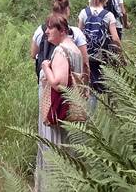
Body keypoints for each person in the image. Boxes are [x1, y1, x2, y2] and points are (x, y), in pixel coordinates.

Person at [34, 12, 85, 192]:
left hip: (58, 110)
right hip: (70, 109)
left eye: (50, 28)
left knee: (54, 149)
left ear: (62, 30)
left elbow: (58, 84)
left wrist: (45, 67)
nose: (46, 32)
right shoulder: (75, 50)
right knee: (68, 151)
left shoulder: (61, 50)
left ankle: (52, 187)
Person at [78, 0, 121, 92]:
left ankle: (91, 102)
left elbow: (79, 34)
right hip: (102, 55)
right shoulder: (108, 15)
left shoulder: (84, 12)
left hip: (86, 55)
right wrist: (120, 55)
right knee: (106, 86)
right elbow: (115, 38)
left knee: (90, 87)